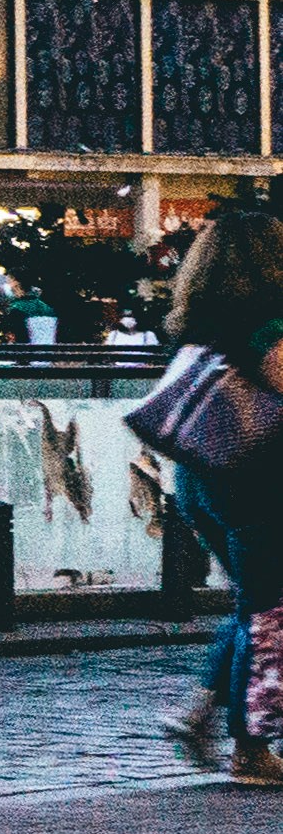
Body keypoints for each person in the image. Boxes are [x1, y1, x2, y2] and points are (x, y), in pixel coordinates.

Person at [153, 211, 283, 781]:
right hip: (257, 487)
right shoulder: (266, 326)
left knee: (253, 605)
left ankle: (200, 710)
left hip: (201, 479)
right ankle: (248, 749)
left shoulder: (197, 322)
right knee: (264, 611)